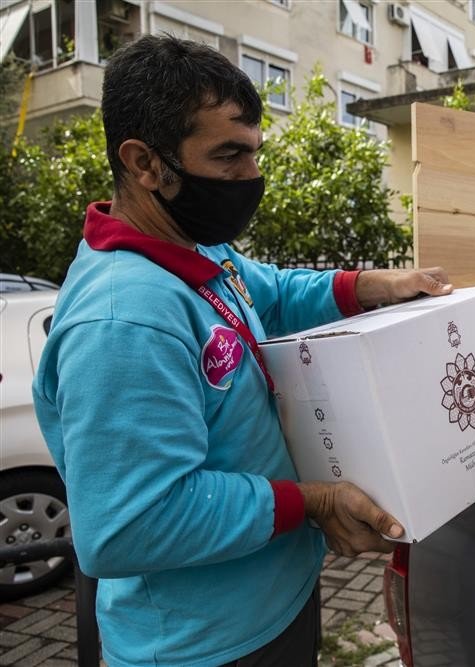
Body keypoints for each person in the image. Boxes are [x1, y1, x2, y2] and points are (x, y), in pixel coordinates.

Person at [31, 34, 451, 667]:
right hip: (199, 646)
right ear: (146, 163)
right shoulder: (124, 320)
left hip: (270, 604)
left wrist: (371, 286)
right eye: (228, 155)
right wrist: (312, 501)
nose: (250, 177)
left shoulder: (193, 249)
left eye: (255, 152)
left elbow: (272, 292)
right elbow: (128, 525)